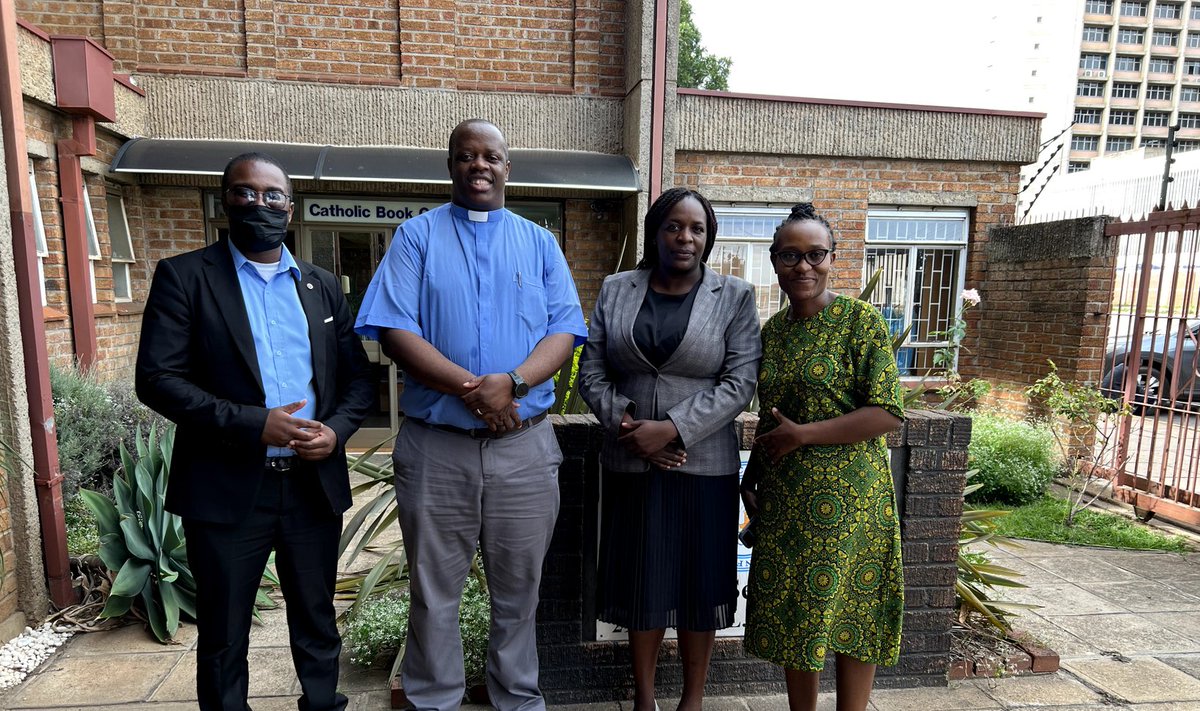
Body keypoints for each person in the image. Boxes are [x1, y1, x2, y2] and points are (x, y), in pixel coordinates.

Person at [354, 118, 587, 711]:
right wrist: (474, 389)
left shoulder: (539, 243)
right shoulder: (415, 238)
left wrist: (511, 383)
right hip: (437, 449)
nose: (479, 166)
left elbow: (566, 329)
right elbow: (394, 328)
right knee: (434, 594)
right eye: (466, 156)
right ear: (450, 165)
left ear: (509, 167)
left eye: (491, 156)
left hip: (524, 450)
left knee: (520, 592)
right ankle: (434, 700)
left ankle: (517, 699)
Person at [136, 152, 373, 711]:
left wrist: (336, 433)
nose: (258, 204)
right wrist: (254, 424)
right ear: (226, 201)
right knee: (223, 629)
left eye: (272, 195)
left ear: (290, 208)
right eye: (245, 193)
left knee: (316, 616)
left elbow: (358, 383)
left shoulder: (320, 286)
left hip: (312, 483)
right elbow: (158, 379)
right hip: (225, 483)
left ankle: (322, 704)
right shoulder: (186, 276)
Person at [577, 187, 761, 711]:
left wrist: (673, 429)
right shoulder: (617, 289)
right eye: (674, 227)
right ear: (655, 232)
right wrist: (634, 428)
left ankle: (693, 699)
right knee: (644, 582)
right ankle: (645, 698)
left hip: (703, 464)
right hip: (631, 461)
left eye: (697, 228)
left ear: (709, 237)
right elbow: (592, 371)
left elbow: (739, 382)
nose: (685, 237)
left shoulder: (735, 296)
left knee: (700, 586)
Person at [740, 203, 905, 711]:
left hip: (853, 499)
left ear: (833, 258)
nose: (803, 267)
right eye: (791, 256)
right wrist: (751, 477)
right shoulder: (773, 333)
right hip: (789, 499)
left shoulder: (861, 322)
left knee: (852, 611)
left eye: (815, 255)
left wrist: (804, 435)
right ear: (774, 261)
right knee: (799, 614)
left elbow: (887, 414)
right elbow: (773, 421)